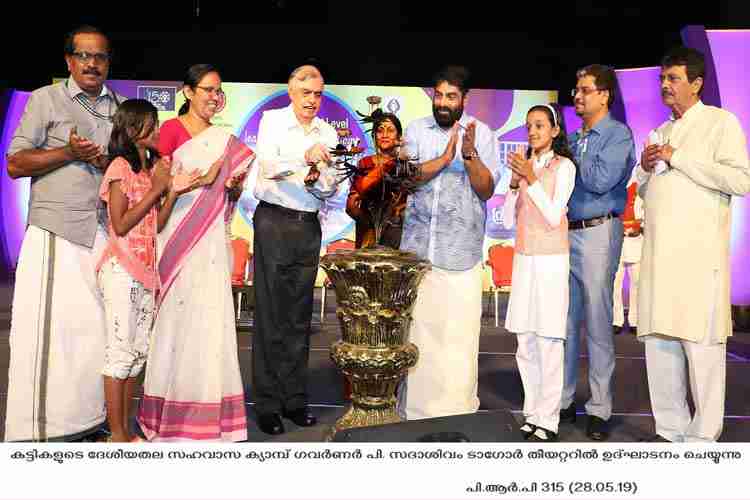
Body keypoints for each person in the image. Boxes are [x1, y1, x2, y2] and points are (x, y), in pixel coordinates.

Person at [4, 25, 124, 442]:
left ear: (109, 62)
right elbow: (16, 163)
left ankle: (87, 420)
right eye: (84, 56)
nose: (93, 64)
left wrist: (108, 158)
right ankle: (41, 432)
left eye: (101, 57)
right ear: (69, 61)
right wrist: (67, 152)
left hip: (107, 234)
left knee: (96, 334)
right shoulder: (45, 99)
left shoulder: (121, 107)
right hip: (58, 232)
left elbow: (133, 168)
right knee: (52, 336)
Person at [637, 47, 750, 442]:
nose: (665, 85)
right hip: (658, 259)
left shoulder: (720, 123)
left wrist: (677, 156)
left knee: (701, 350)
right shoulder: (659, 130)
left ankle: (702, 441)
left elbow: (741, 180)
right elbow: (647, 191)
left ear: (697, 84)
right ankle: (670, 433)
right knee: (660, 347)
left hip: (698, 260)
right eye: (663, 79)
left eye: (674, 79)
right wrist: (647, 166)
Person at [137, 64, 254, 442]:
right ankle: (169, 414)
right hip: (176, 234)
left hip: (211, 239)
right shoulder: (169, 131)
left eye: (219, 91)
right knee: (175, 319)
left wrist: (231, 186)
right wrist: (192, 184)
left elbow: (229, 193)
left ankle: (211, 414)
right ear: (188, 92)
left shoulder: (224, 137)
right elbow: (157, 187)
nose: (214, 97)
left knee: (210, 319)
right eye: (207, 89)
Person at [397, 66, 501, 420]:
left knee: (458, 340)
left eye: (451, 97)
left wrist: (469, 155)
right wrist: (444, 159)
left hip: (461, 252)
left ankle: (457, 413)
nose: (443, 103)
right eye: (438, 95)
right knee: (420, 337)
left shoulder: (483, 135)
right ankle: (416, 413)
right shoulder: (415, 130)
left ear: (464, 100)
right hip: (418, 253)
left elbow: (486, 189)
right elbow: (406, 179)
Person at [252, 65, 340, 435]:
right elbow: (268, 166)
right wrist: (304, 158)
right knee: (272, 315)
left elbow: (330, 187)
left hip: (307, 225)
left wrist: (318, 178)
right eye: (307, 93)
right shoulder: (272, 121)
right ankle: (268, 405)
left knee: (299, 319)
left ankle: (294, 400)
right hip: (273, 220)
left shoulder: (328, 132)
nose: (313, 101)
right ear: (291, 91)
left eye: (318, 94)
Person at [96, 99, 184, 442]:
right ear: (133, 129)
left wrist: (171, 192)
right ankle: (116, 436)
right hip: (121, 268)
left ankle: (126, 430)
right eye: (153, 124)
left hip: (146, 271)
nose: (159, 131)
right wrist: (158, 189)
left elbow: (156, 223)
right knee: (120, 354)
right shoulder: (120, 166)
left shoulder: (151, 170)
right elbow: (120, 224)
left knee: (137, 355)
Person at [561, 64, 636, 441]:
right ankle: (563, 400)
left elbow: (600, 180)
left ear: (605, 94)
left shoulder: (617, 135)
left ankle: (600, 408)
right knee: (566, 321)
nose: (577, 95)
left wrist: (569, 156)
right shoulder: (575, 138)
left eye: (585, 90)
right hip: (567, 232)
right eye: (576, 89)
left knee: (597, 319)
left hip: (599, 231)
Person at [502, 104, 576, 442]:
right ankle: (533, 411)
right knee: (525, 340)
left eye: (540, 125)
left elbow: (552, 214)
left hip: (551, 261)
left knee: (548, 339)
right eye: (529, 126)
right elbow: (505, 221)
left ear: (555, 131)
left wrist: (530, 179)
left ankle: (549, 417)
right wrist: (515, 185)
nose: (533, 131)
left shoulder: (565, 168)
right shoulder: (524, 169)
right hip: (524, 259)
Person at [346, 110, 407, 249]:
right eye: (380, 130)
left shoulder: (404, 167)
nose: (385, 135)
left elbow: (407, 207)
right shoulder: (365, 163)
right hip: (368, 235)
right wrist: (371, 227)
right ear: (374, 136)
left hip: (395, 236)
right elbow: (351, 206)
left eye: (390, 130)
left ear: (399, 137)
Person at [612, 172, 643, 335]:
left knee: (637, 283)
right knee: (615, 282)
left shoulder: (642, 187)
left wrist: (640, 227)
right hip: (617, 240)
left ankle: (635, 320)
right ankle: (616, 320)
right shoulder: (614, 186)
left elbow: (646, 212)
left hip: (636, 241)